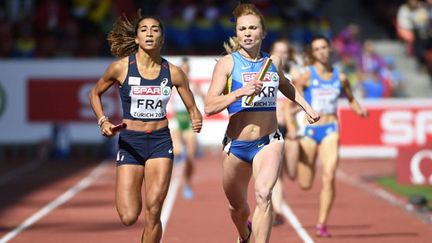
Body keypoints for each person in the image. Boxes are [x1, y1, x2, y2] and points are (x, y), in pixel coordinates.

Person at [204, 4, 319, 243]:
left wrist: (307, 107)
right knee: (237, 208)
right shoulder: (227, 64)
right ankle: (244, 233)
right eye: (242, 28)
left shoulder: (273, 62)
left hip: (268, 142)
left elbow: (286, 86)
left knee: (264, 194)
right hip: (235, 146)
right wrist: (240, 92)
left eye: (252, 28)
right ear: (236, 34)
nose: (247, 32)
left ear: (263, 32)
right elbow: (209, 106)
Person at [88, 11, 202, 243]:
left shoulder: (174, 72)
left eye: (155, 30)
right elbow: (95, 93)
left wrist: (195, 117)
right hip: (130, 143)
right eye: (144, 30)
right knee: (129, 216)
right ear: (137, 38)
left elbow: (192, 106)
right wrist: (103, 120)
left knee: (154, 211)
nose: (150, 33)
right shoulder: (120, 68)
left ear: (161, 38)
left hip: (160, 142)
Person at [293, 35, 367, 237]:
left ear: (330, 50)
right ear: (312, 54)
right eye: (317, 49)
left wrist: (359, 109)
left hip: (330, 129)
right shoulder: (307, 75)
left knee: (329, 175)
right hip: (310, 131)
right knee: (305, 184)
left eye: (324, 47)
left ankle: (321, 223)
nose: (322, 52)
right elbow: (294, 92)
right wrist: (300, 110)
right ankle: (304, 165)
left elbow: (351, 98)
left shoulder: (340, 77)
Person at [269, 39, 304, 226]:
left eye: (284, 52)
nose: (281, 55)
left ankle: (303, 158)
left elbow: (303, 100)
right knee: (276, 172)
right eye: (278, 51)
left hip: (290, 128)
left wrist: (288, 111)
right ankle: (278, 211)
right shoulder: (266, 71)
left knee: (291, 172)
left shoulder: (294, 73)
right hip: (272, 128)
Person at [169, 56, 204, 199]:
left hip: (189, 121)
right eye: (182, 68)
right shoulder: (172, 83)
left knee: (190, 158)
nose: (185, 70)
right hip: (177, 119)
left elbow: (205, 99)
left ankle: (187, 183)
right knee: (177, 150)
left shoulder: (193, 84)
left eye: (187, 68)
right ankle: (175, 160)